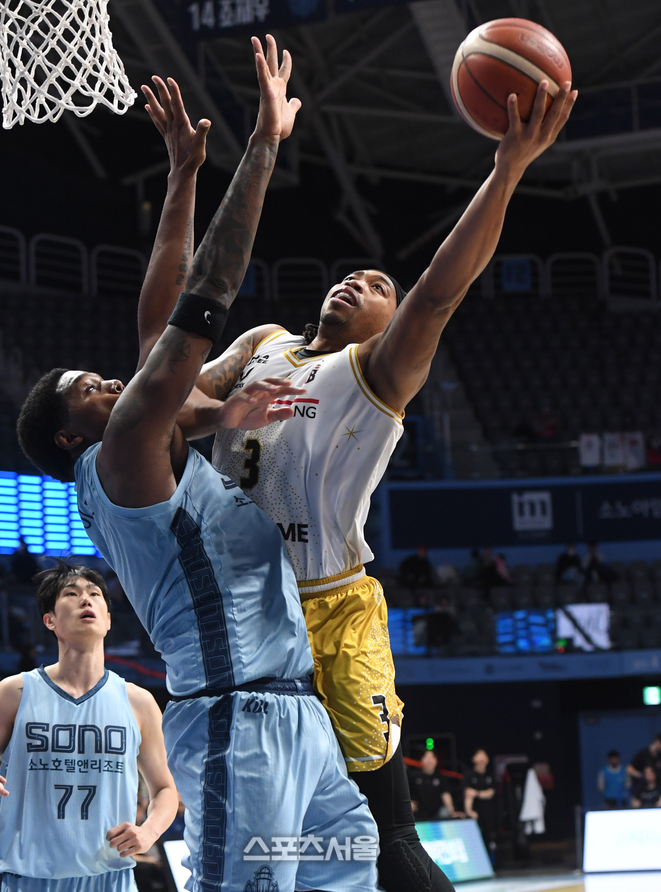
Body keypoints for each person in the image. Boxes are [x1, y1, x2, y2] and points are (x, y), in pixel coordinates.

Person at [135, 66, 576, 892]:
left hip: (328, 608)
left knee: (386, 835)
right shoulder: (265, 343)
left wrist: (507, 168)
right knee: (277, 840)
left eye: (378, 287)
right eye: (354, 275)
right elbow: (168, 401)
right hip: (240, 608)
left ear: (388, 320)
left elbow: (438, 294)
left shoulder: (375, 372)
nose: (357, 282)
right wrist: (225, 411)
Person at [15, 37, 378, 892]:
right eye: (88, 390)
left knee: (346, 872)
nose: (108, 381)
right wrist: (264, 145)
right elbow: (199, 293)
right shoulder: (125, 453)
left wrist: (182, 175)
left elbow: (156, 326)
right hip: (233, 724)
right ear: (71, 437)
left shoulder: (146, 441)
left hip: (296, 716)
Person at [0, 562, 178, 892]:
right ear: (49, 620)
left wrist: (148, 832)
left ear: (108, 619)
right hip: (29, 879)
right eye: (72, 594)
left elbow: (165, 790)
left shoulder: (139, 702)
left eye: (94, 594)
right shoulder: (13, 692)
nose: (85, 599)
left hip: (110, 879)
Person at [409, 749, 461, 822]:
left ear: (436, 761)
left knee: (445, 812)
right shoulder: (413, 775)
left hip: (436, 812)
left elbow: (445, 794)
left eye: (432, 758)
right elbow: (405, 792)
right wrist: (409, 803)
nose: (429, 761)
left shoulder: (440, 777)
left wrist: (452, 811)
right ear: (422, 760)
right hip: (417, 811)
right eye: (427, 757)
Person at [463, 749, 497, 854]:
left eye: (484, 756)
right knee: (474, 839)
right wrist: (469, 811)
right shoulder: (469, 775)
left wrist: (477, 793)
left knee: (489, 838)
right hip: (475, 813)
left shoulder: (490, 774)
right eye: (479, 756)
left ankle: (490, 860)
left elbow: (490, 792)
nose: (482, 759)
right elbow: (468, 794)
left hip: (489, 812)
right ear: (474, 759)